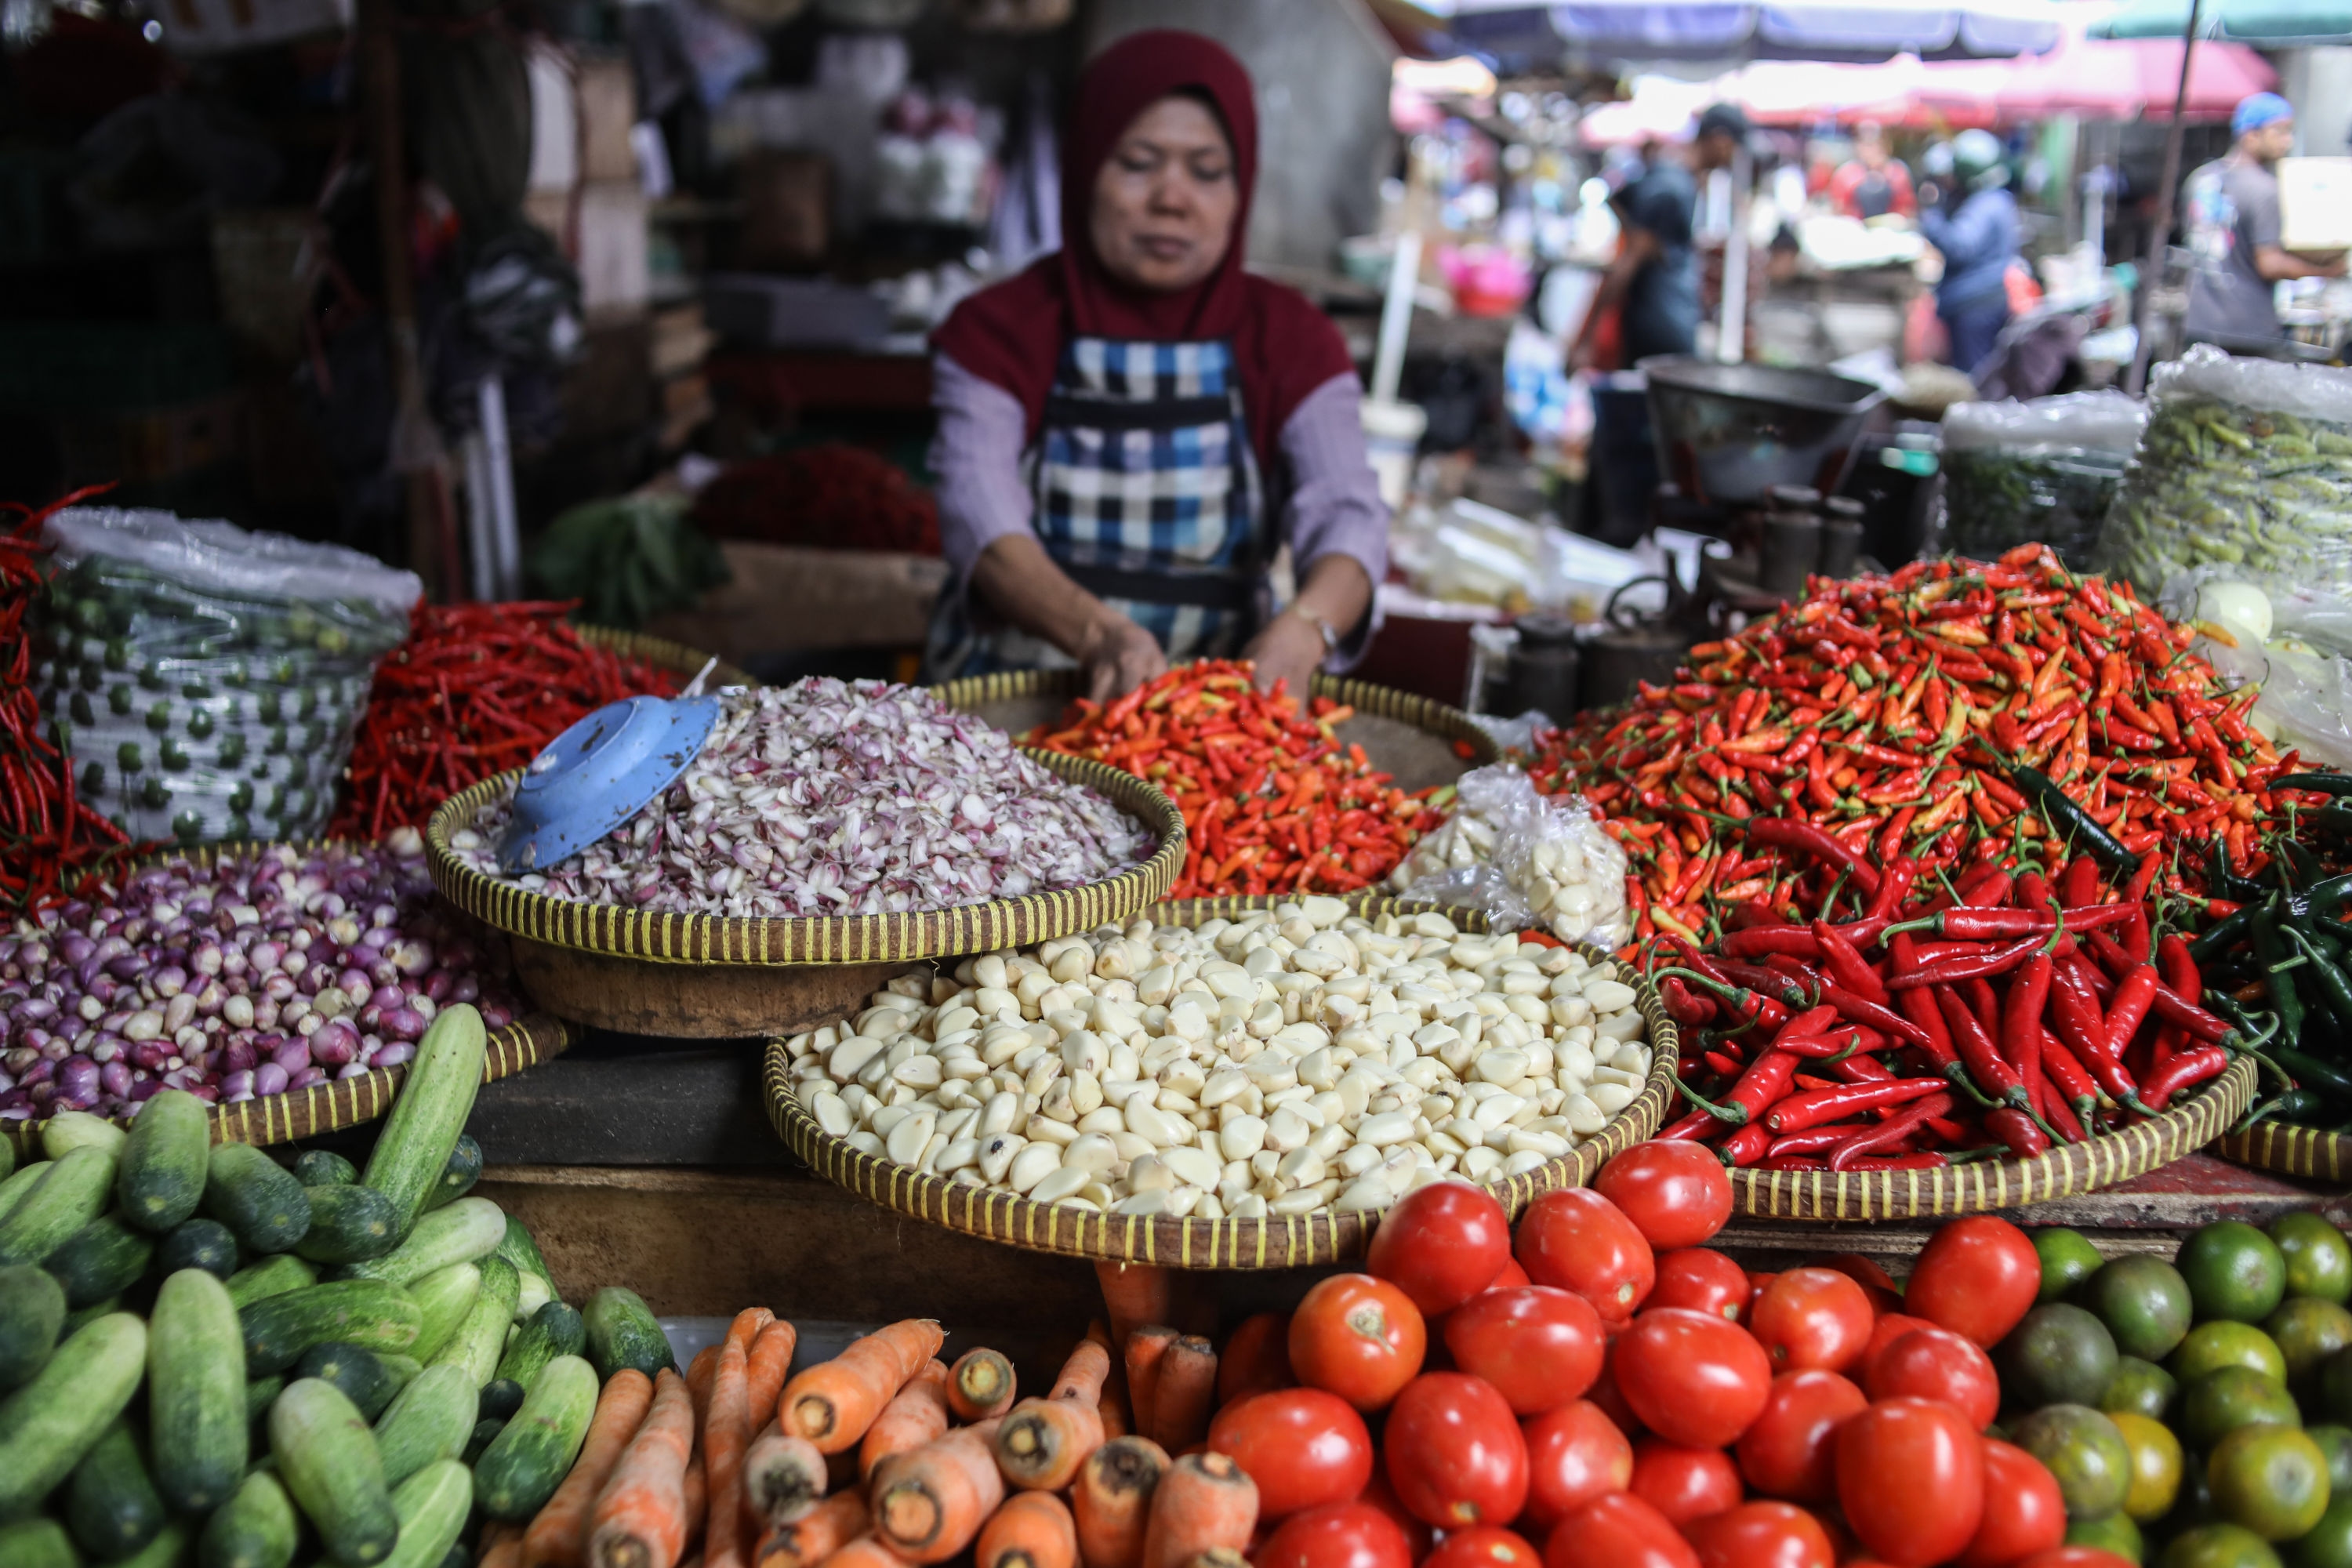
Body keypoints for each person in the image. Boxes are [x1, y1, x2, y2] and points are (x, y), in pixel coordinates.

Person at [924, 31, 1385, 701]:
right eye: (1139, 163)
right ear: (1084, 171)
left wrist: (1306, 627)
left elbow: (1348, 511)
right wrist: (1098, 635)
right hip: (1009, 700)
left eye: (1206, 171)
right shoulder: (996, 330)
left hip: (1213, 710)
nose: (1173, 198)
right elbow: (980, 514)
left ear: (1241, 187)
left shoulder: (1293, 339)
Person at [1568, 103, 1752, 370]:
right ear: (1720, 140)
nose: (1733, 156)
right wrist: (1585, 341)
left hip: (1661, 323)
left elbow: (1618, 199)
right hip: (1662, 330)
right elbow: (1628, 263)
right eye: (1734, 146)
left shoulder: (1672, 178)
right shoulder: (1673, 190)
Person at [2183, 92, 2347, 347]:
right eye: (2279, 132)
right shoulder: (2265, 190)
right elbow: (2270, 264)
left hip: (2198, 323)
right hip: (2246, 327)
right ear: (2251, 135)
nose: (2288, 141)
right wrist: (2326, 270)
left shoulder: (2202, 179)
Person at [1919, 128, 2021, 379]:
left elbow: (1959, 246)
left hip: (1974, 304)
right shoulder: (1998, 200)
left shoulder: (1984, 205)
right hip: (1984, 299)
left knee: (1974, 378)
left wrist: (1931, 218)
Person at [1828, 123, 1915, 220]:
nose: (1872, 150)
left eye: (1877, 144)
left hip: (1891, 230)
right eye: (1866, 144)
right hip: (1855, 228)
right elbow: (1839, 208)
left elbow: (1907, 208)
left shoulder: (1897, 172)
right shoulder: (1846, 173)